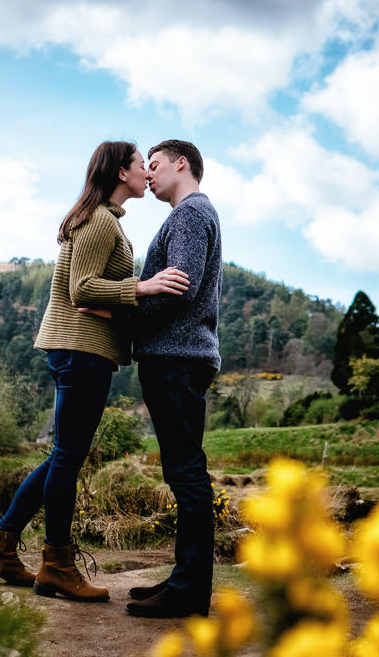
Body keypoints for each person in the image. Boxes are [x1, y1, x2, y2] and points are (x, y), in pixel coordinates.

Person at [0, 140, 189, 603]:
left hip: (80, 349)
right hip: (80, 349)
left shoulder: (102, 220)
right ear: (119, 172)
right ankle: (57, 566)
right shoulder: (99, 221)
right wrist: (145, 286)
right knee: (68, 458)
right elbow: (82, 289)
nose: (146, 175)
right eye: (139, 166)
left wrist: (131, 301)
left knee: (62, 455)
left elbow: (90, 290)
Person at [124, 139, 223, 619]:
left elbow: (178, 285)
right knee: (184, 471)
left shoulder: (187, 214)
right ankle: (185, 578)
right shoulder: (195, 214)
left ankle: (187, 590)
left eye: (156, 165)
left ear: (181, 164)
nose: (148, 175)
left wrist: (125, 315)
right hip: (183, 357)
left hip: (177, 357)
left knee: (185, 473)